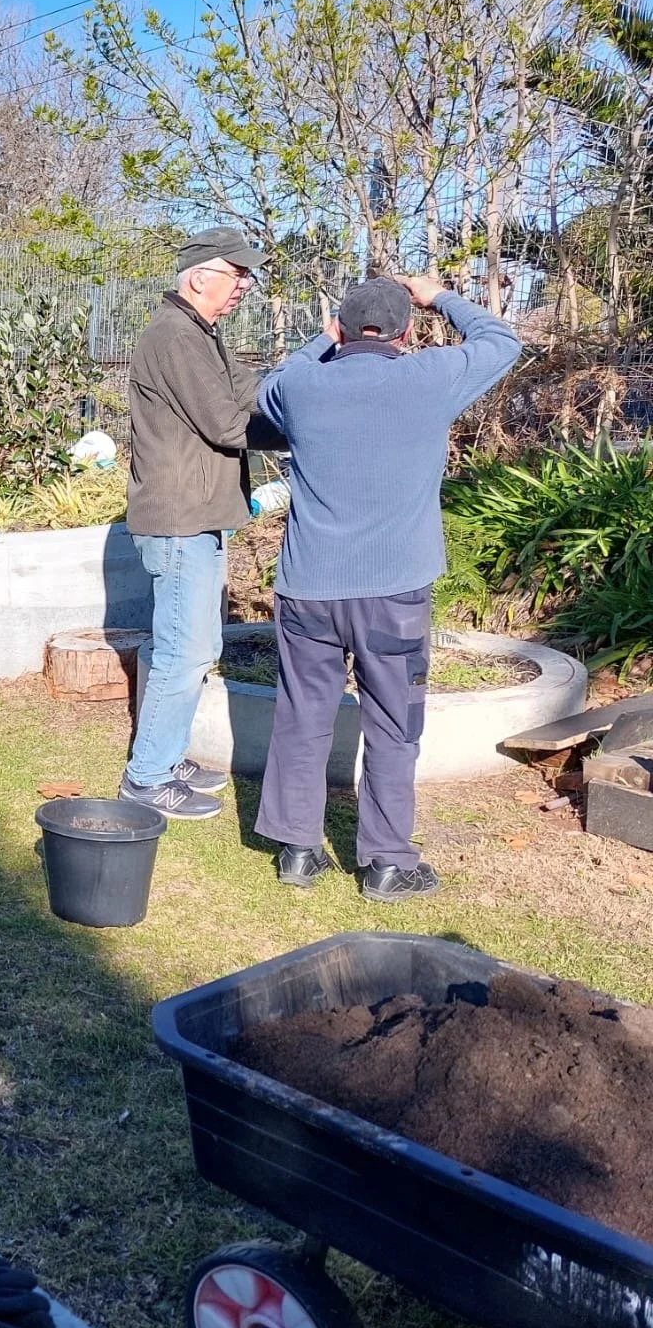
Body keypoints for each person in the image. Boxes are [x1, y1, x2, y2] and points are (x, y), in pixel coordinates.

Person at [254, 276, 521, 898]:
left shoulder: (301, 381)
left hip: (309, 588)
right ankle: (385, 863)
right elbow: (500, 339)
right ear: (407, 332)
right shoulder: (430, 377)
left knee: (302, 716)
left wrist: (318, 343)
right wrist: (438, 297)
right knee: (394, 725)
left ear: (339, 329)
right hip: (393, 591)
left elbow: (267, 390)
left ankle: (297, 850)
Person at [119, 226, 281, 820]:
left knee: (191, 646)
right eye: (237, 273)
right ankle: (147, 777)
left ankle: (166, 753)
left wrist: (302, 405)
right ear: (198, 276)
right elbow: (227, 423)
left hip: (198, 517)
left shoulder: (200, 334)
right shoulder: (175, 337)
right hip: (180, 520)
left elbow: (247, 395)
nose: (245, 284)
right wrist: (302, 429)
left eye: (246, 274)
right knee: (185, 653)